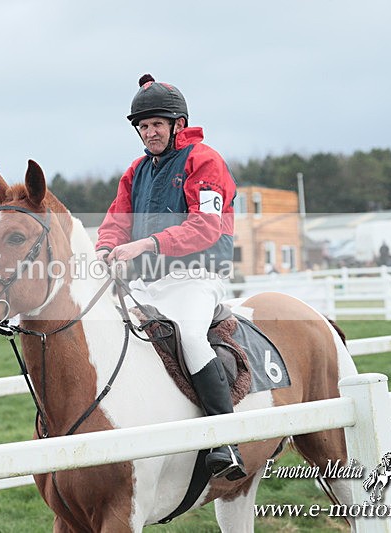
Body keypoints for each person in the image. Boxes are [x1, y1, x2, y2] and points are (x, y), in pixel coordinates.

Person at [95, 74, 243, 480]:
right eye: (143, 126)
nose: (149, 132)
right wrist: (106, 248)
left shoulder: (204, 159)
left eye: (157, 123)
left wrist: (145, 245)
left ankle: (224, 441)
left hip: (197, 276)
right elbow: (115, 221)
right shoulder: (136, 170)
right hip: (148, 280)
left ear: (178, 123)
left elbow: (205, 227)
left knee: (190, 337)